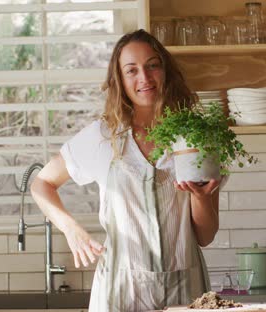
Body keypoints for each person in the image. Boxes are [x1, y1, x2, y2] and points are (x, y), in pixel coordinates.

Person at [31, 29, 221, 311]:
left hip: (186, 291)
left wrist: (201, 197)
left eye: (152, 65)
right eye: (131, 70)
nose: (144, 78)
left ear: (165, 70)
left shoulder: (194, 135)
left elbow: (204, 236)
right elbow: (41, 183)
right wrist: (71, 229)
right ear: (119, 79)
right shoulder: (102, 136)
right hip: (121, 292)